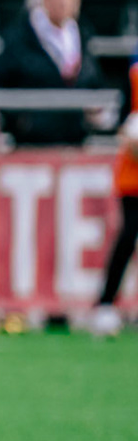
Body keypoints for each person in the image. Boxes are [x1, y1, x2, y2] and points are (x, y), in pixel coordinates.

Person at [0, 0, 115, 147]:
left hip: (75, 141)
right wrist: (22, 122)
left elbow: (93, 80)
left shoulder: (83, 33)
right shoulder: (19, 35)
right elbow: (2, 80)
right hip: (32, 144)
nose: (64, 4)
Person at [91, 50, 138, 336]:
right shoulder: (134, 74)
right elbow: (125, 123)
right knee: (128, 236)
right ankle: (106, 303)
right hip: (133, 174)